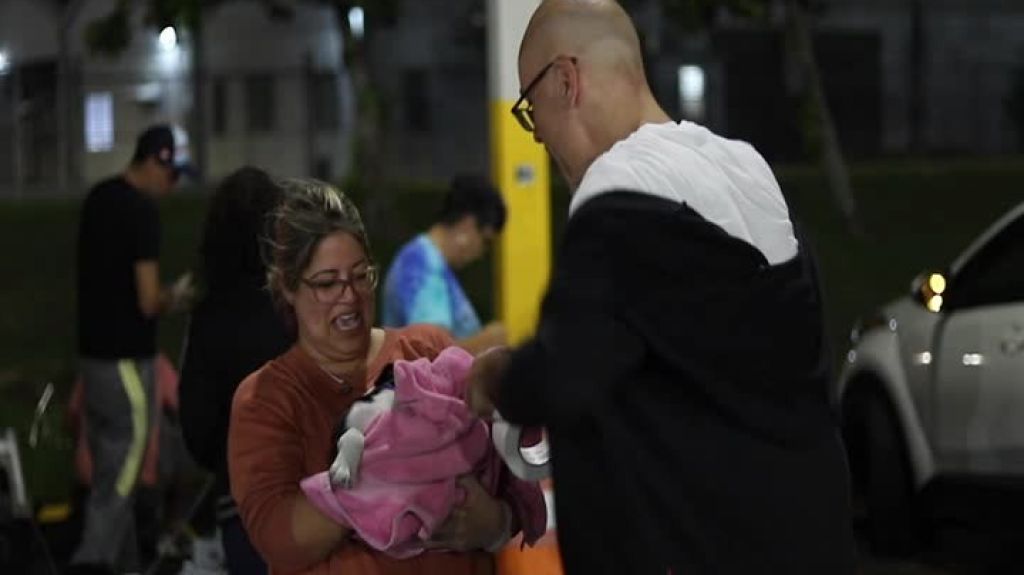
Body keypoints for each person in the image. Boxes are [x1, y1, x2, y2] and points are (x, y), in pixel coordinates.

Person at [466, 1, 858, 574]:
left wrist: (496, 375)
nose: (539, 137)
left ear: (566, 81)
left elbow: (558, 381)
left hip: (703, 546)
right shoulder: (746, 167)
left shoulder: (619, 190)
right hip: (811, 533)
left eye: (530, 110)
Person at [228, 178, 537, 574]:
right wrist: (391, 468)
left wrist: (493, 523)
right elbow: (281, 541)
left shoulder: (429, 351)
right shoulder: (266, 399)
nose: (350, 297)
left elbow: (513, 487)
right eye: (326, 283)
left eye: (361, 276)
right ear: (287, 288)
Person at [73, 123, 194, 574]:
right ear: (156, 161)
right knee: (123, 474)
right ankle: (91, 562)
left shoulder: (98, 198)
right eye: (174, 174)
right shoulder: (141, 213)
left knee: (107, 469)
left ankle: (123, 566)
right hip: (126, 363)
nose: (174, 185)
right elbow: (147, 300)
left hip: (91, 360)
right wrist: (175, 297)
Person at [179, 166, 292, 575]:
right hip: (312, 501)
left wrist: (229, 461)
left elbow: (196, 424)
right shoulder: (298, 313)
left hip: (241, 506)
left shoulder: (207, 318)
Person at [382, 174, 508, 353]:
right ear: (467, 225)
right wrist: (487, 341)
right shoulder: (422, 266)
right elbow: (432, 354)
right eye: (485, 241)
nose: (482, 253)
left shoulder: (433, 266)